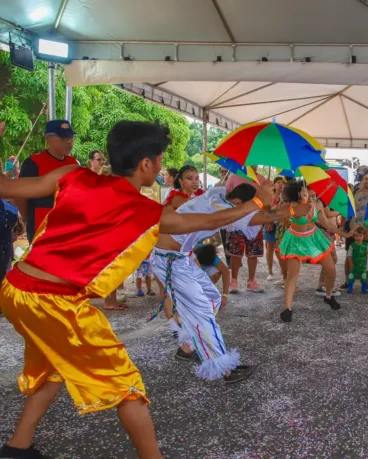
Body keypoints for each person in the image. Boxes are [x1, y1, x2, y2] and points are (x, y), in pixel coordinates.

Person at [0, 120, 266, 459]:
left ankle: (17, 447)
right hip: (56, 302)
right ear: (145, 164)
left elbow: (7, 188)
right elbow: (207, 223)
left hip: (15, 288)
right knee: (128, 386)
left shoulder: (72, 174)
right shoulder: (145, 211)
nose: (161, 166)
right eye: (159, 160)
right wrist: (258, 203)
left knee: (54, 367)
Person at [150, 182, 275, 381]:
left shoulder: (218, 194)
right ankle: (225, 369)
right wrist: (267, 203)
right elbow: (254, 217)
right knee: (203, 312)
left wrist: (282, 206)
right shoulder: (221, 207)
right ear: (237, 202)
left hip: (182, 257)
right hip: (169, 259)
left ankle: (188, 346)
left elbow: (255, 215)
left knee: (212, 298)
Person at [277, 181, 355, 322]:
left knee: (331, 270)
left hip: (314, 238)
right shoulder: (290, 206)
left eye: (313, 191)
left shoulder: (317, 205)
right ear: (298, 193)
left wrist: (346, 235)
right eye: (307, 190)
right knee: (292, 275)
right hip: (295, 240)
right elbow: (288, 217)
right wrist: (302, 204)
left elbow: (326, 224)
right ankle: (287, 309)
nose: (313, 193)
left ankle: (329, 296)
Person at [16, 120, 80, 242]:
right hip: (42, 228)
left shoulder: (73, 163)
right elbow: (20, 196)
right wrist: (27, 218)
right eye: (64, 137)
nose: (69, 141)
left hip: (67, 227)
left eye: (71, 137)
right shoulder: (33, 163)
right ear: (49, 138)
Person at [264, 177, 286, 282]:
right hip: (269, 224)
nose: (280, 184)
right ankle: (270, 271)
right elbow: (265, 209)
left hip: (281, 225)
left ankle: (283, 272)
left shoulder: (285, 196)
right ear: (274, 184)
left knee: (279, 249)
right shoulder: (269, 195)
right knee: (270, 248)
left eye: (282, 182)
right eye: (278, 182)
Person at [346, 227, 368, 294]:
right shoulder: (352, 245)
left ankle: (364, 287)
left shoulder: (366, 245)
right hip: (354, 263)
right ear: (354, 236)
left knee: (364, 275)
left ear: (363, 236)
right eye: (356, 236)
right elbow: (349, 255)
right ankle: (350, 287)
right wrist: (350, 263)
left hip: (363, 264)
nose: (358, 237)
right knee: (351, 275)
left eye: (360, 236)